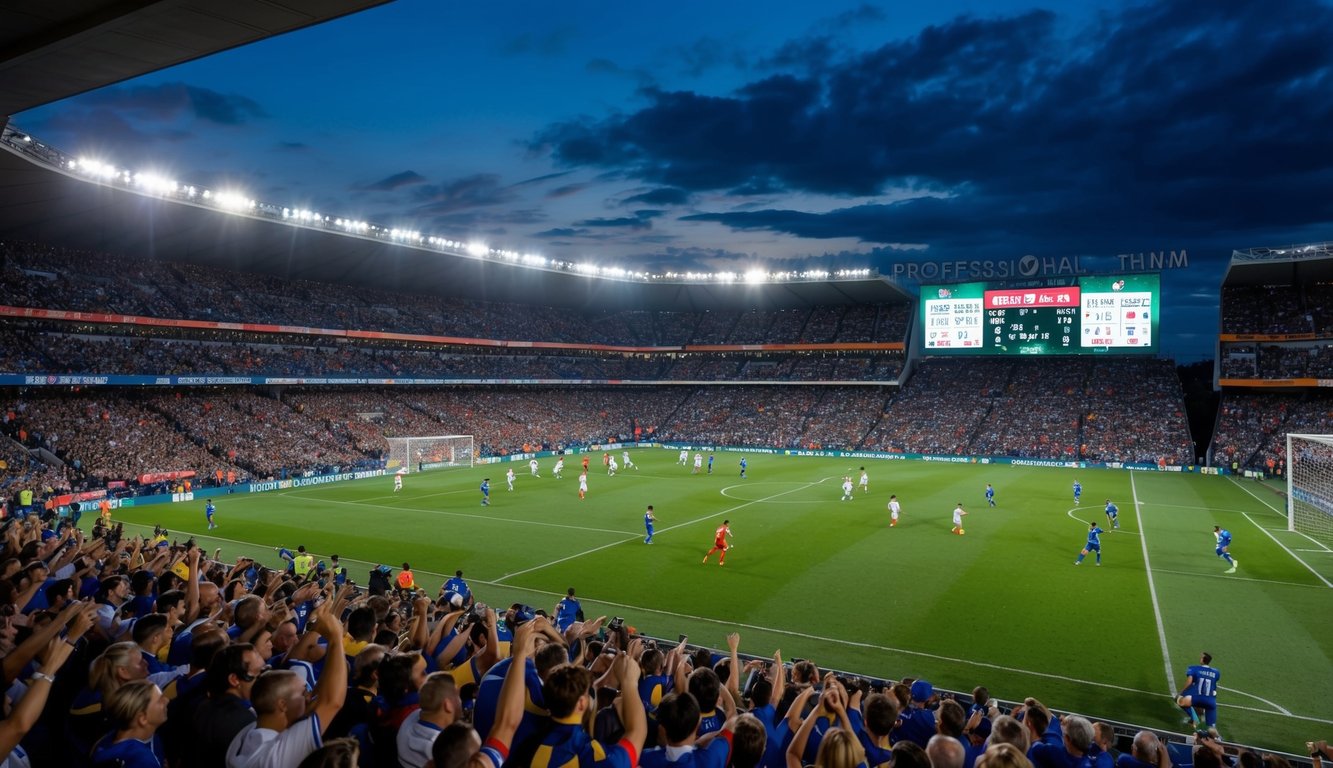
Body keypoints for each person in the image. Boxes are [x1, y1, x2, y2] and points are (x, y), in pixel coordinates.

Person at [1176, 652, 1221, 730]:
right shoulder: (1216, 672)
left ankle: (1194, 718)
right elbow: (1214, 684)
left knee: (1178, 699)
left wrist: (1181, 692)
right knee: (1211, 729)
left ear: (1202, 660)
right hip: (1211, 701)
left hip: (1198, 698)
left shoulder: (1194, 668)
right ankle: (1217, 739)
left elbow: (1189, 682)